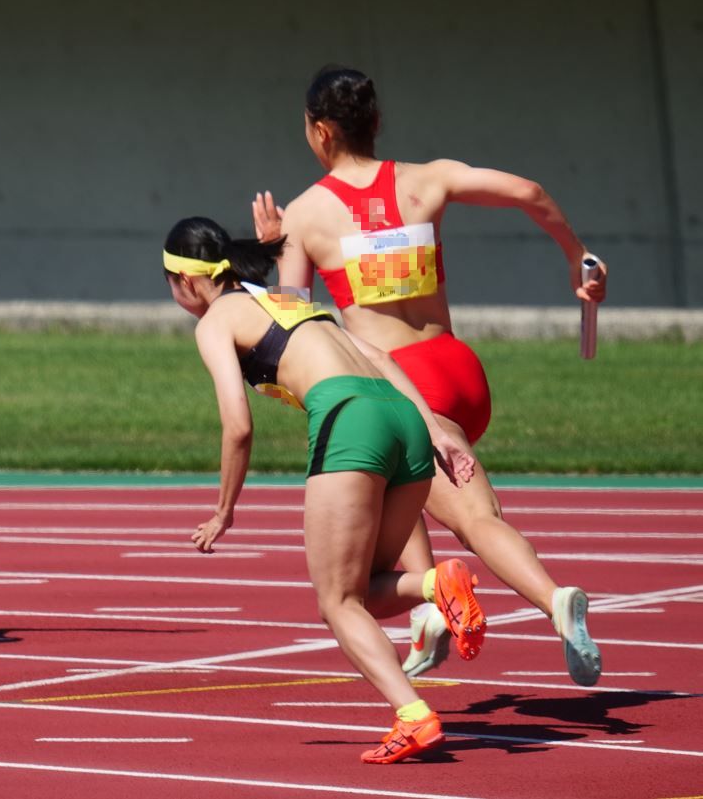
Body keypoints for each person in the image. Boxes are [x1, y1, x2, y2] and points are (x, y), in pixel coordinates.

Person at [251, 65, 604, 685]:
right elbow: (529, 191)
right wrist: (578, 257)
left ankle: (555, 601)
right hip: (460, 370)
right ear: (377, 123)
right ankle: (432, 619)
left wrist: (273, 247)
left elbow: (296, 324)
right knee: (397, 480)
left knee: (474, 520)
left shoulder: (305, 215)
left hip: (405, 386)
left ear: (320, 132)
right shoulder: (429, 180)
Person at [163, 216, 484, 764]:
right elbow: (380, 358)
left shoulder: (215, 321)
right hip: (402, 416)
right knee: (362, 591)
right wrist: (435, 431)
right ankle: (437, 582)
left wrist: (224, 511)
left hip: (351, 420)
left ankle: (413, 714)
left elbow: (237, 425)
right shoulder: (284, 300)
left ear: (188, 281)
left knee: (336, 602)